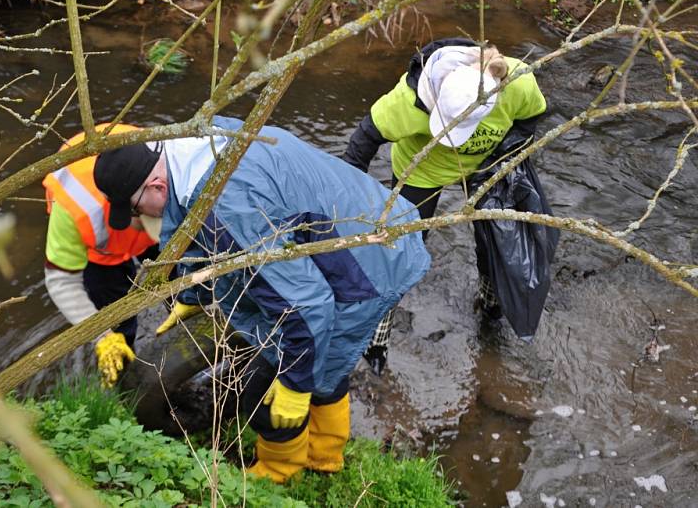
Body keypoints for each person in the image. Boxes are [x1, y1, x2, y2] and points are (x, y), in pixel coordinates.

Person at [93, 116, 431, 483]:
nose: (141, 218)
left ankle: (282, 471)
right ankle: (324, 456)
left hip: (365, 265)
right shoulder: (200, 142)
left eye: (138, 208)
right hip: (369, 216)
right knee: (323, 362)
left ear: (156, 185)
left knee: (271, 397)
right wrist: (195, 294)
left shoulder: (230, 210)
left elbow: (307, 304)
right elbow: (188, 222)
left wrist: (295, 387)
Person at [343, 37, 547, 344]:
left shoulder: (516, 81)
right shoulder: (407, 102)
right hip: (421, 172)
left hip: (485, 167)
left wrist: (501, 157)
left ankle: (492, 306)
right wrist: (347, 199)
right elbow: (361, 145)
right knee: (399, 252)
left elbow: (530, 118)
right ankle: (376, 339)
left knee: (496, 240)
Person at [42, 124, 160, 389]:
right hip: (102, 254)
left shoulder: (174, 172)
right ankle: (125, 387)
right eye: (143, 223)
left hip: (150, 202)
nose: (148, 234)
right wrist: (101, 335)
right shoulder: (74, 209)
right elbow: (61, 281)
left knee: (186, 287)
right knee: (118, 321)